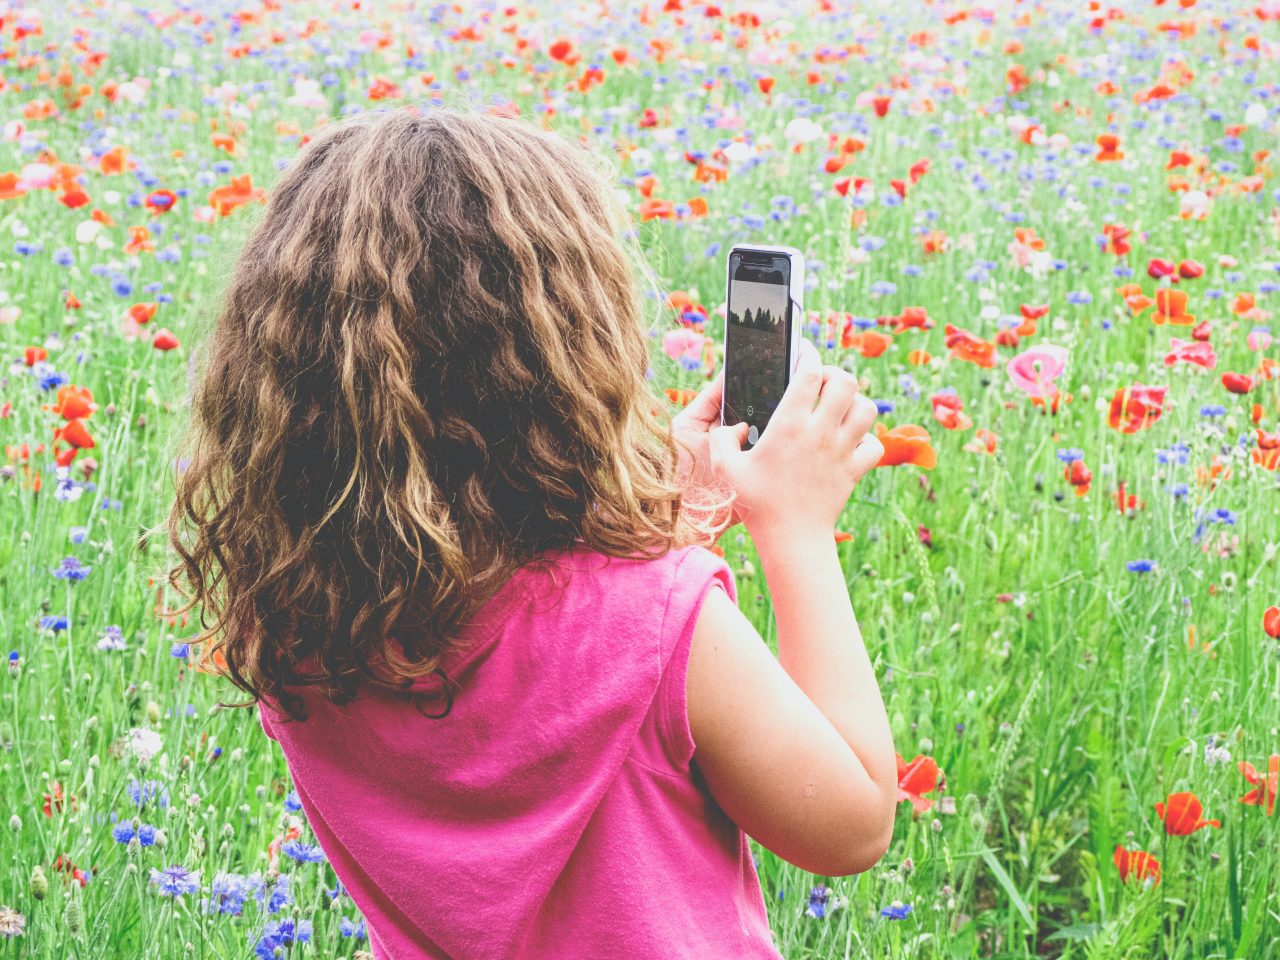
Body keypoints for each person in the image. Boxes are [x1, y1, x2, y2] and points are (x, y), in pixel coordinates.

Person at [166, 106, 897, 960]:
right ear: (571, 357)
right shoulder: (664, 626)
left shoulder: (296, 624)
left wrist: (670, 521)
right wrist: (794, 529)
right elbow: (850, 828)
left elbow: (517, 646)